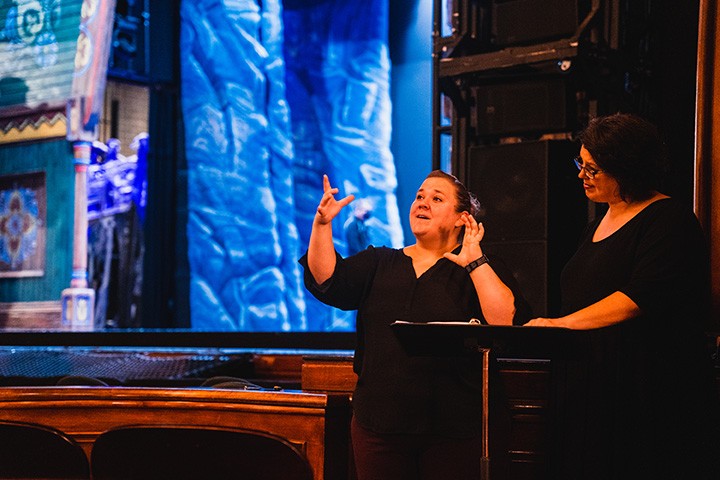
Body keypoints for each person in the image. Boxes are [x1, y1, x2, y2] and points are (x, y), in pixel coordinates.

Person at [299, 170, 532, 480]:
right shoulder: (380, 262)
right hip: (380, 428)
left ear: (462, 218)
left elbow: (506, 322)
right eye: (420, 196)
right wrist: (322, 225)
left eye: (436, 199)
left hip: (458, 430)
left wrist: (475, 261)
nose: (422, 203)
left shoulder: (481, 268)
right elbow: (327, 279)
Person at [526, 113, 719, 479]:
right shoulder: (596, 224)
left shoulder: (668, 220)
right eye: (580, 165)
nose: (581, 176)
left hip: (643, 388)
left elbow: (638, 298)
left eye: (593, 169)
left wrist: (561, 325)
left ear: (627, 168)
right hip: (589, 383)